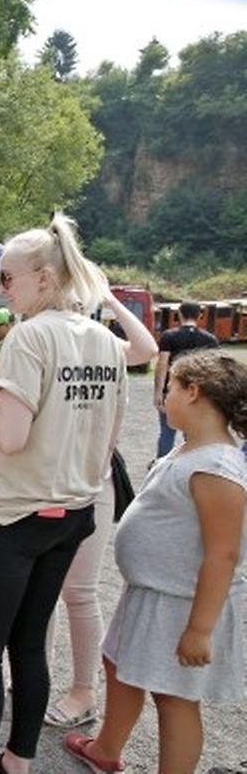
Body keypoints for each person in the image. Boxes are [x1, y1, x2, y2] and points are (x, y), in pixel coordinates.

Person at [0, 214, 127, 774]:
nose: (3, 289)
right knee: (28, 644)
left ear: (45, 279)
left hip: (15, 515)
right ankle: (18, 760)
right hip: (72, 511)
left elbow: (9, 436)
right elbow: (110, 442)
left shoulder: (28, 337)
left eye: (7, 279)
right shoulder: (105, 340)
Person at [65, 350, 247, 774]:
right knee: (117, 659)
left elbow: (224, 553)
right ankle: (106, 750)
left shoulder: (218, 468)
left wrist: (200, 629)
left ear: (193, 392)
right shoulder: (190, 451)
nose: (163, 397)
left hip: (183, 603)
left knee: (175, 696)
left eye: (170, 389)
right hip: (153, 594)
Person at [43, 294, 158, 732]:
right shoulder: (40, 340)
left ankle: (84, 692)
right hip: (48, 483)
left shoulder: (103, 346)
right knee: (44, 587)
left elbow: (146, 349)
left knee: (79, 590)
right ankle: (39, 670)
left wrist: (110, 298)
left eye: (78, 301)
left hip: (94, 482)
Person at [153, 301, 218, 461]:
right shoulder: (210, 339)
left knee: (167, 432)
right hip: (198, 392)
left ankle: (162, 463)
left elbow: (162, 365)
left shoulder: (169, 336)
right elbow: (214, 369)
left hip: (173, 390)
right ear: (200, 316)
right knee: (193, 431)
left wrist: (159, 392)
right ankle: (192, 462)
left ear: (179, 314)